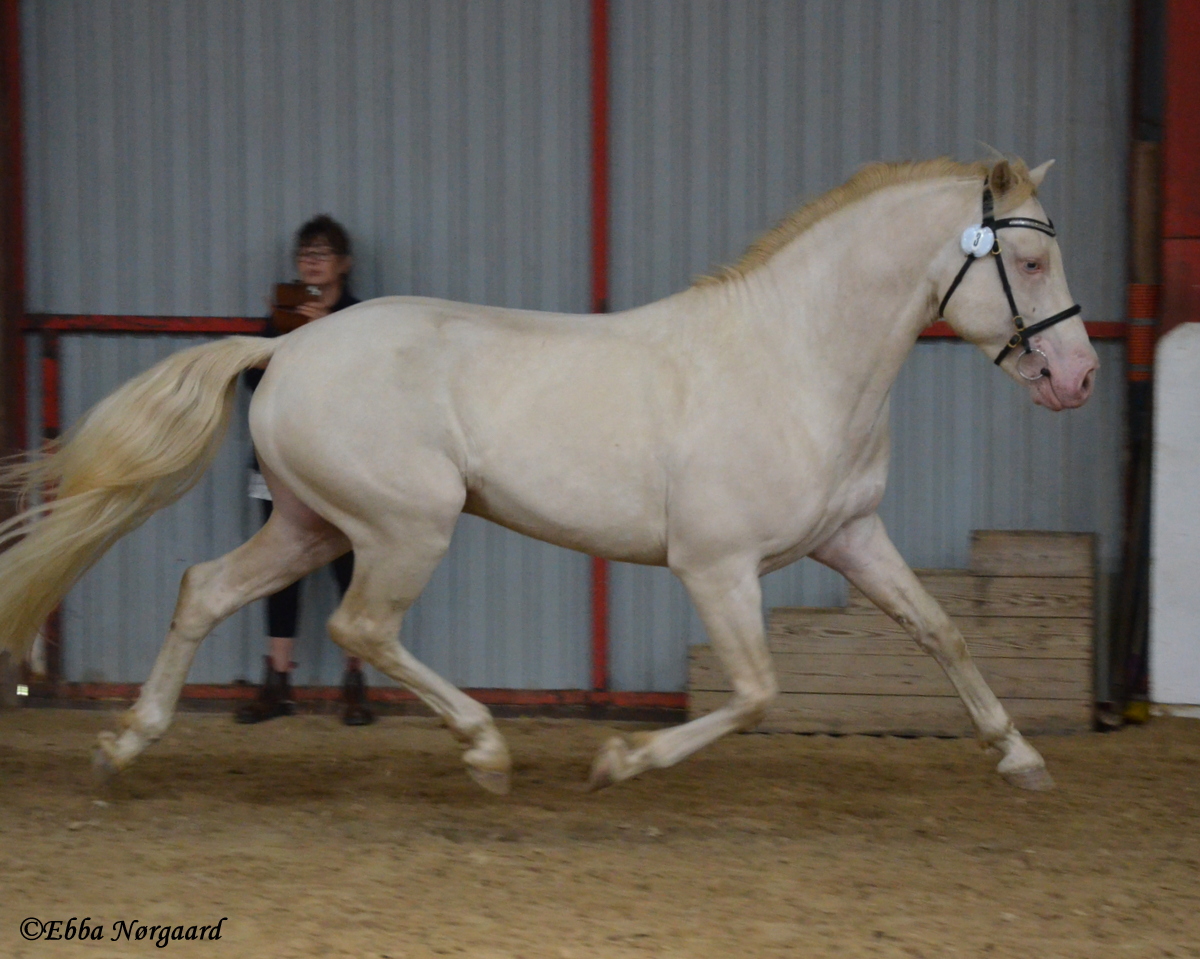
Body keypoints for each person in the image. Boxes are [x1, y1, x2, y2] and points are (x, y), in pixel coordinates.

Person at [235, 214, 375, 726]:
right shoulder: (282, 314)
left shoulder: (361, 319)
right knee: (279, 568)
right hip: (282, 461)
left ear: (344, 264)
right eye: (304, 253)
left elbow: (369, 389)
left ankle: (355, 683)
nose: (311, 261)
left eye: (322, 252)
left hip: (343, 463)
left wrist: (324, 336)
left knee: (351, 567)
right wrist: (288, 339)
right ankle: (277, 682)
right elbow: (254, 384)